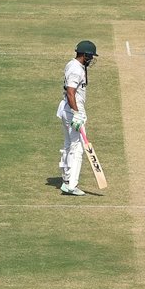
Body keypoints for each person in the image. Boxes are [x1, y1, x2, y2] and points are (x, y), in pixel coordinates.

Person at [55, 40, 98, 196]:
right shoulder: (76, 70)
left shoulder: (73, 65)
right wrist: (77, 113)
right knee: (77, 148)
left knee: (68, 145)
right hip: (73, 112)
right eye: (91, 55)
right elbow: (71, 92)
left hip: (67, 109)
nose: (92, 58)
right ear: (85, 55)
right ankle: (72, 185)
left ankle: (66, 180)